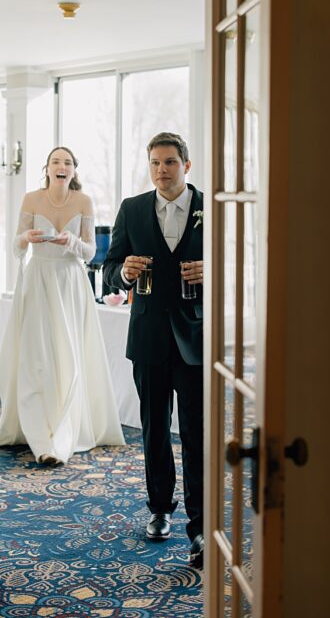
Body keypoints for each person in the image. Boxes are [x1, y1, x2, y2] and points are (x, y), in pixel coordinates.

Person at [102, 132, 206, 568]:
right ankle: (160, 510)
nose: (161, 170)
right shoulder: (132, 208)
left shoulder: (213, 209)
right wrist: (122, 274)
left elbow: (244, 269)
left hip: (196, 339)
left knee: (198, 435)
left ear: (186, 165)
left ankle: (201, 527)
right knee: (155, 430)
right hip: (147, 339)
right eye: (155, 163)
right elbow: (108, 271)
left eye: (169, 162)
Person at [0, 147, 125, 465]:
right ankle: (38, 425)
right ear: (47, 168)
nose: (61, 167)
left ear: (73, 170)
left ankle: (67, 424)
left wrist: (72, 242)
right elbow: (15, 245)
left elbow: (91, 252)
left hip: (70, 281)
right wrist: (28, 238)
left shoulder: (84, 201)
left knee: (69, 351)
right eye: (55, 162)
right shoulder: (32, 199)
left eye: (67, 163)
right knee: (37, 352)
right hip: (37, 279)